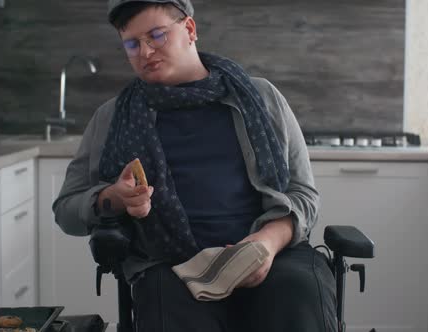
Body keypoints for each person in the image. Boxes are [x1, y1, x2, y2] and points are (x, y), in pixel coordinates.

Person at [53, 0, 336, 331]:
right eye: (132, 43)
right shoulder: (112, 117)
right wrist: (112, 199)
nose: (144, 52)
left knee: (299, 293)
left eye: (156, 36)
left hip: (271, 254)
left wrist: (267, 243)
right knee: (164, 305)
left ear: (189, 29)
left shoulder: (262, 98)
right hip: (170, 264)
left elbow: (303, 195)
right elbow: (66, 211)